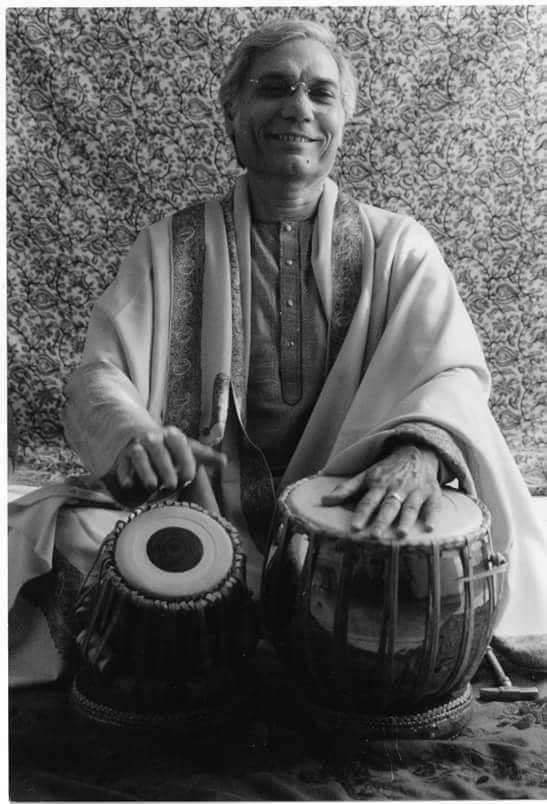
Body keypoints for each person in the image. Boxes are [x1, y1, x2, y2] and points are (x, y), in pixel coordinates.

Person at [8, 19, 546, 688]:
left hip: (349, 514)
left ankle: (230, 642)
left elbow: (453, 374)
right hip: (198, 507)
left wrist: (418, 452)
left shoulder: (398, 246)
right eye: (274, 88)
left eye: (320, 92)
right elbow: (99, 375)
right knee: (61, 536)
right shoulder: (168, 246)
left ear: (342, 120)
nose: (297, 107)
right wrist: (134, 434)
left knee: (440, 542)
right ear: (234, 116)